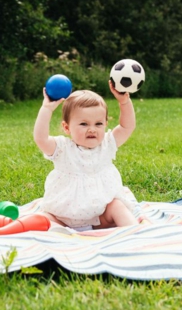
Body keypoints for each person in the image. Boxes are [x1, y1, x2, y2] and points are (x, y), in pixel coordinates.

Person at [33, 81, 139, 230]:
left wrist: (124, 102)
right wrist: (47, 108)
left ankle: (137, 233)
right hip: (64, 218)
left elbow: (127, 127)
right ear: (66, 127)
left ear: (105, 123)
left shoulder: (107, 144)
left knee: (117, 206)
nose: (92, 129)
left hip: (100, 216)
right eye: (84, 124)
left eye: (98, 124)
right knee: (42, 219)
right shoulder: (62, 149)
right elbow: (41, 138)